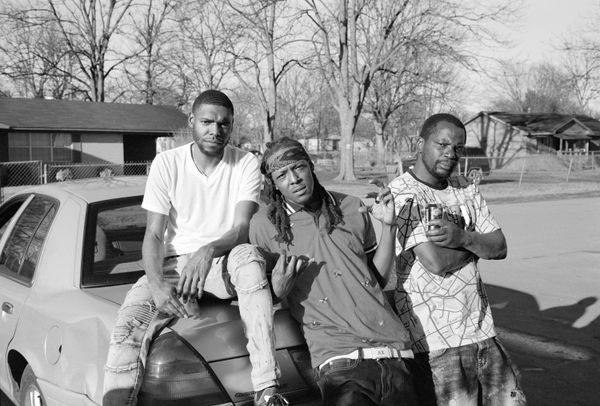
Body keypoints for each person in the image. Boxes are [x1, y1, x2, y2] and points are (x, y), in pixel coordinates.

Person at [103, 90, 287, 406]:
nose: (215, 130)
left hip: (223, 261)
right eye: (207, 122)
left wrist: (207, 251)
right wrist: (157, 285)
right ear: (191, 121)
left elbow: (241, 229)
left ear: (231, 126)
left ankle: (267, 390)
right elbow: (154, 234)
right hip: (172, 267)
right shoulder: (166, 163)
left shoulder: (245, 162)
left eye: (224, 123)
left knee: (249, 258)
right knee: (125, 332)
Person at [246, 137, 418, 405]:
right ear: (273, 183)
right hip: (339, 362)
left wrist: (389, 226)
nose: (294, 179)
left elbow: (376, 279)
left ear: (310, 166)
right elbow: (262, 299)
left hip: (395, 353)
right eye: (282, 175)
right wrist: (278, 290)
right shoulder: (264, 225)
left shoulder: (351, 206)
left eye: (298, 167)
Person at [390, 113, 527, 405]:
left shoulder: (465, 186)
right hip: (436, 345)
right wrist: (478, 244)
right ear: (419, 145)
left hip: (483, 332)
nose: (451, 154)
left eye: (458, 147)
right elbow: (436, 262)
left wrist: (461, 238)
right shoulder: (402, 194)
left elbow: (500, 246)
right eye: (442, 144)